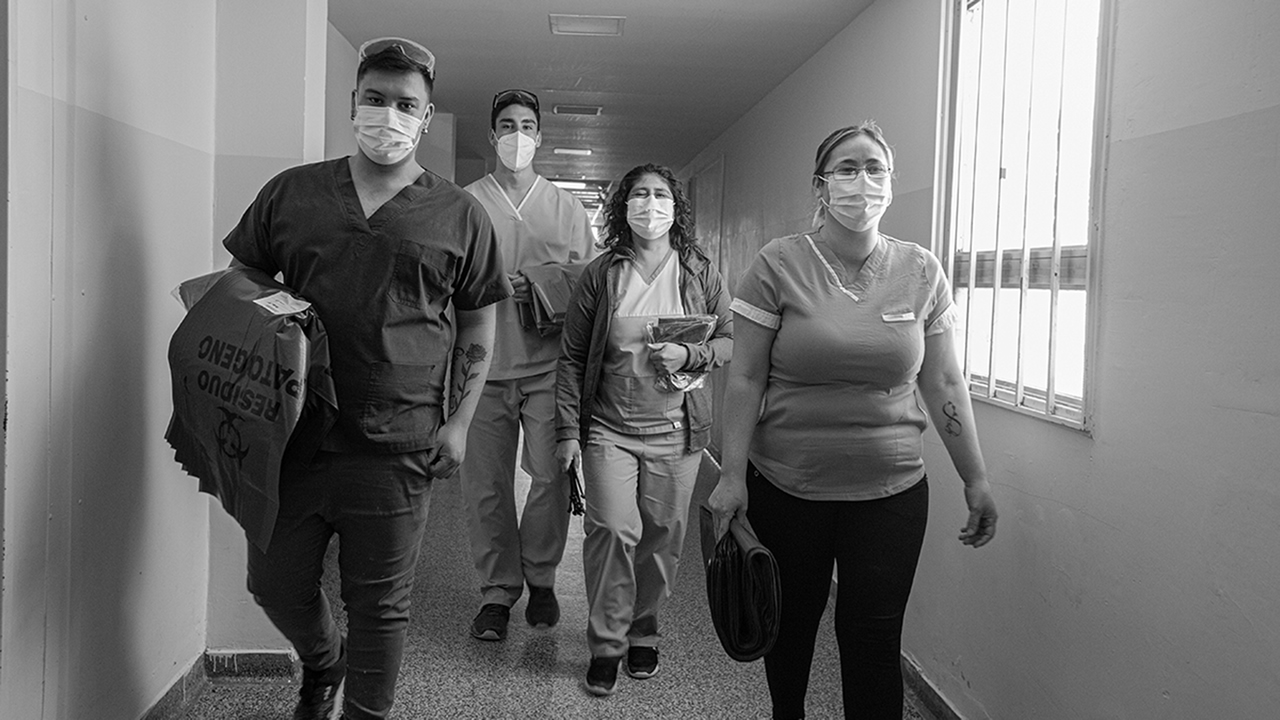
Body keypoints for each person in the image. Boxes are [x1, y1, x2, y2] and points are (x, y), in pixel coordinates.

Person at [223, 37, 511, 720]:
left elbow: (478, 322)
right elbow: (242, 279)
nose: (389, 115)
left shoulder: (459, 214)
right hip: (294, 435)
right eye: (376, 99)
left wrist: (460, 422)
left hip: (398, 441)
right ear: (353, 104)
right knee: (274, 584)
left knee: (380, 605)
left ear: (427, 116)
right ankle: (324, 662)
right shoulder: (293, 193)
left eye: (406, 104)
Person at [708, 121, 998, 720]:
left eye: (874, 168)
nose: (861, 181)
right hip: (788, 486)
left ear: (891, 182)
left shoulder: (920, 270)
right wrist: (731, 475)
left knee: (873, 639)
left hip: (891, 492)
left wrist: (975, 477)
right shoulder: (778, 263)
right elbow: (746, 378)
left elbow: (944, 382)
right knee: (790, 630)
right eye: (846, 168)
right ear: (820, 185)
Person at [555, 164, 733, 696]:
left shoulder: (698, 272)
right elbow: (572, 357)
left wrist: (689, 354)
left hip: (677, 432)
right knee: (611, 531)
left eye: (660, 195)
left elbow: (730, 341)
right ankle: (607, 644)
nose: (650, 205)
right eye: (639, 194)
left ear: (675, 208)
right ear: (623, 206)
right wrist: (567, 432)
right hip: (608, 429)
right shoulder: (601, 274)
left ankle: (643, 633)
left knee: (661, 538)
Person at [460, 88, 596, 642]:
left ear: (540, 137)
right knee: (486, 486)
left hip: (547, 366)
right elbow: (444, 277)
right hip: (483, 368)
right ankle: (497, 592)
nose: (517, 135)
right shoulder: (466, 203)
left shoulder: (566, 208)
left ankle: (541, 577)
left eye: (526, 126)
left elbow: (590, 283)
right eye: (507, 125)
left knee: (551, 476)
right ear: (492, 136)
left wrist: (538, 281)